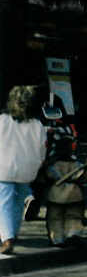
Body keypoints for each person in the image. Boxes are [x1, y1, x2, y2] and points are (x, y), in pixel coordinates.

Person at [0, 86, 48, 254]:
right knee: (18, 203)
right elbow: (42, 149)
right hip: (27, 169)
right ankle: (12, 232)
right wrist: (38, 164)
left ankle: (7, 238)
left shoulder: (3, 120)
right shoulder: (37, 124)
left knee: (3, 203)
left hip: (4, 168)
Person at [43, 128, 87, 247]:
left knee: (54, 218)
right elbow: (86, 176)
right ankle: (73, 234)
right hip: (74, 194)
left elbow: (47, 175)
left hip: (56, 194)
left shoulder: (53, 164)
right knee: (74, 216)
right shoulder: (77, 164)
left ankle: (57, 238)